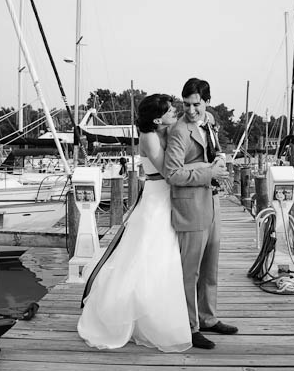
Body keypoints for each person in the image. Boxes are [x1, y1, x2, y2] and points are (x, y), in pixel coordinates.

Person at [78, 93, 197, 352]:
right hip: (156, 200)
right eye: (170, 110)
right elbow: (168, 171)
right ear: (157, 118)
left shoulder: (163, 131)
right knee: (149, 255)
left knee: (162, 258)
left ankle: (154, 310)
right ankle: (135, 314)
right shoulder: (149, 138)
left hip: (165, 197)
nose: (175, 112)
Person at [164, 77, 237, 350]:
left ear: (207, 102)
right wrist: (210, 172)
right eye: (186, 104)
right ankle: (189, 326)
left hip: (213, 201)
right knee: (190, 272)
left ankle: (208, 318)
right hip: (191, 206)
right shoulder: (180, 131)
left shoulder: (210, 120)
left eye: (196, 104)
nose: (191, 110)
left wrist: (220, 160)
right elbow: (172, 173)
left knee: (210, 268)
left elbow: (213, 150)